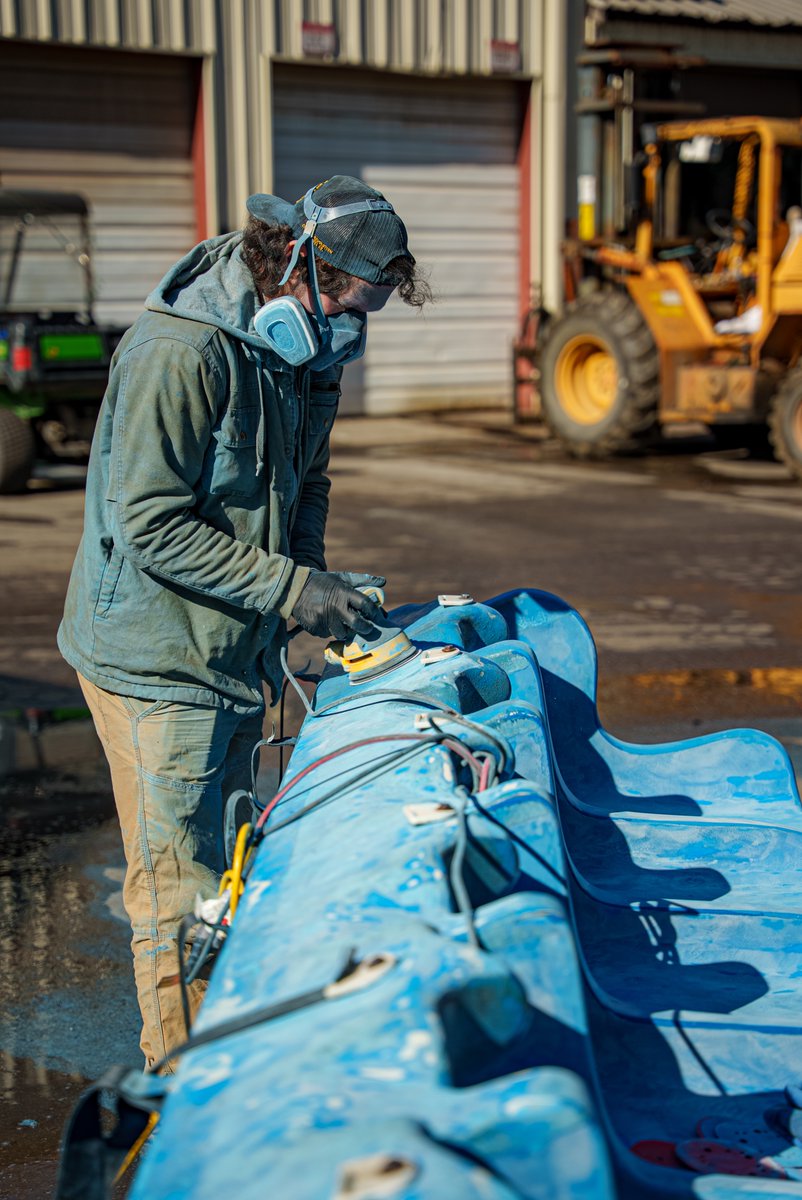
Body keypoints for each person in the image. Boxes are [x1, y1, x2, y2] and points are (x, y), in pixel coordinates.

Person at [57, 175, 430, 1070]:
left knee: (229, 873)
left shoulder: (308, 352)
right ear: (299, 263)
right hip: (157, 658)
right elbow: (150, 524)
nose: (353, 327)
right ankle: (185, 1099)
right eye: (348, 301)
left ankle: (224, 1039)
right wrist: (290, 593)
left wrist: (311, 584)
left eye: (370, 310)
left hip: (234, 645)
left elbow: (308, 482)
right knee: (179, 898)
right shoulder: (178, 353)